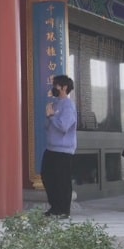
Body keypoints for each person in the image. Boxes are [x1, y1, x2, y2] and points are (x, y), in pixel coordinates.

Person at [42, 75, 77, 219]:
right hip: (51, 148)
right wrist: (48, 116)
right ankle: (54, 207)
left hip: (63, 150)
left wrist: (52, 117)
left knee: (62, 181)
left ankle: (63, 210)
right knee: (48, 177)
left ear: (64, 87)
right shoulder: (55, 104)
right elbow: (47, 126)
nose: (54, 88)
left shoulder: (68, 105)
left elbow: (64, 127)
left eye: (56, 85)